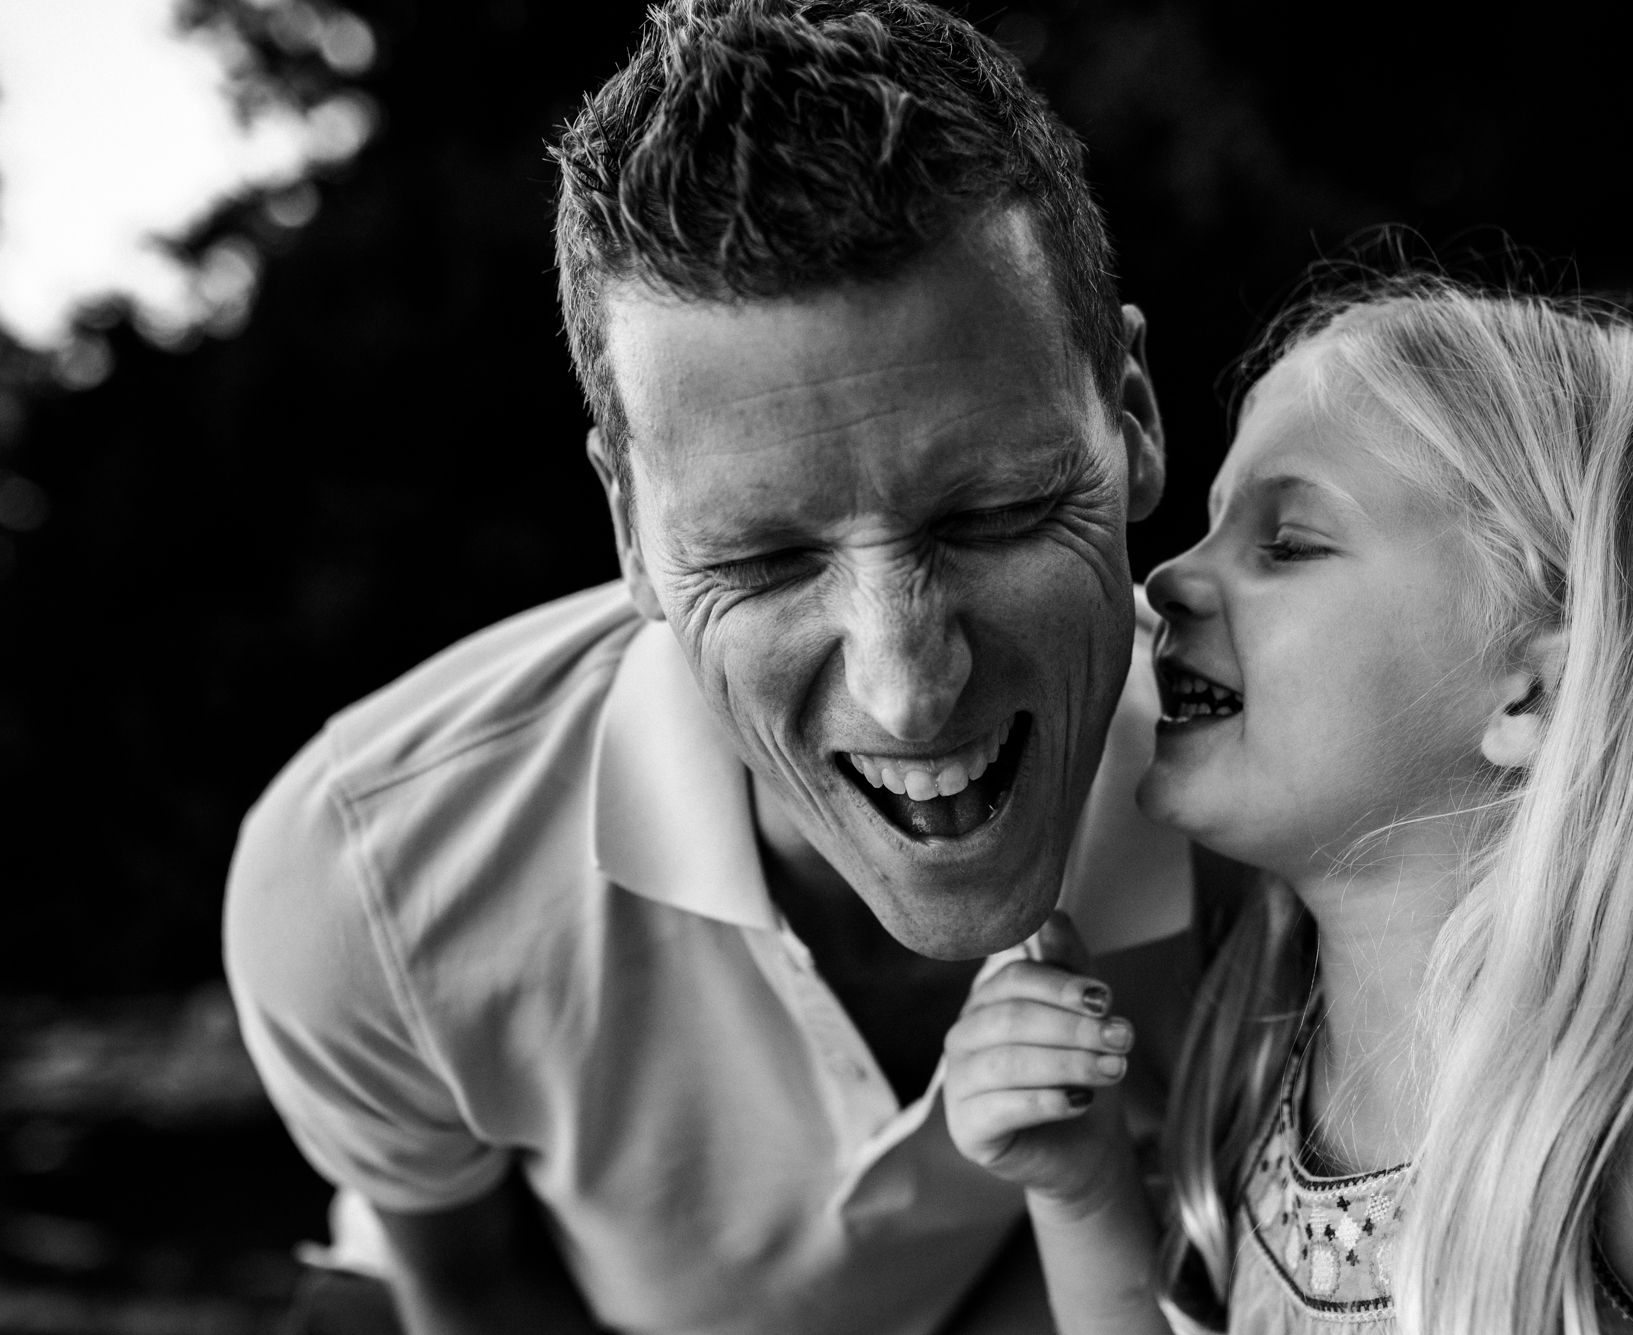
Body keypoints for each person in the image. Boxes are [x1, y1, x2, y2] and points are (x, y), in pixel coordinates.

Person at [222, 2, 1200, 1332]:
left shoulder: (1298, 808)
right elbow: (470, 1295)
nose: (910, 685)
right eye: (763, 561)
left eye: (996, 514)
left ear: (1132, 418)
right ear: (631, 529)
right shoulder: (372, 874)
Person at [942, 278, 1633, 1334]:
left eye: (1287, 543)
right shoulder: (1260, 1059)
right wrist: (1080, 1193)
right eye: (1213, 525)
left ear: (1531, 692)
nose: (1168, 576)